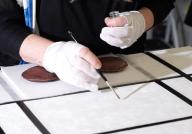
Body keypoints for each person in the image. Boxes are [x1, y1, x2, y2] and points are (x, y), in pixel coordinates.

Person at [0, 0, 175, 91]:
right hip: (38, 76)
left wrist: (141, 20)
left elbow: (161, 2)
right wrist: (51, 54)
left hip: (123, 71)